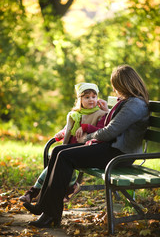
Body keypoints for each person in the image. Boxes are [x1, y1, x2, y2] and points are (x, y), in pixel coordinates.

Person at [23, 64, 149, 228]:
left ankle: (48, 213)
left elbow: (110, 131)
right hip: (111, 149)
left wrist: (87, 138)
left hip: (118, 155)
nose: (115, 89)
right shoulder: (129, 102)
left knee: (65, 156)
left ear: (124, 84)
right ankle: (46, 209)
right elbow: (116, 124)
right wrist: (108, 111)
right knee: (58, 151)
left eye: (115, 86)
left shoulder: (135, 104)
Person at [20, 82, 108, 203]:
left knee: (59, 159)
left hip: (85, 148)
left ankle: (34, 192)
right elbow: (68, 128)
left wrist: (86, 127)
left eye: (94, 96)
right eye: (87, 97)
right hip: (69, 147)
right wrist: (61, 133)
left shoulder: (100, 114)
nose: (91, 100)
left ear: (97, 98)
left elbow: (101, 131)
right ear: (80, 100)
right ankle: (68, 187)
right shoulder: (75, 114)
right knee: (56, 160)